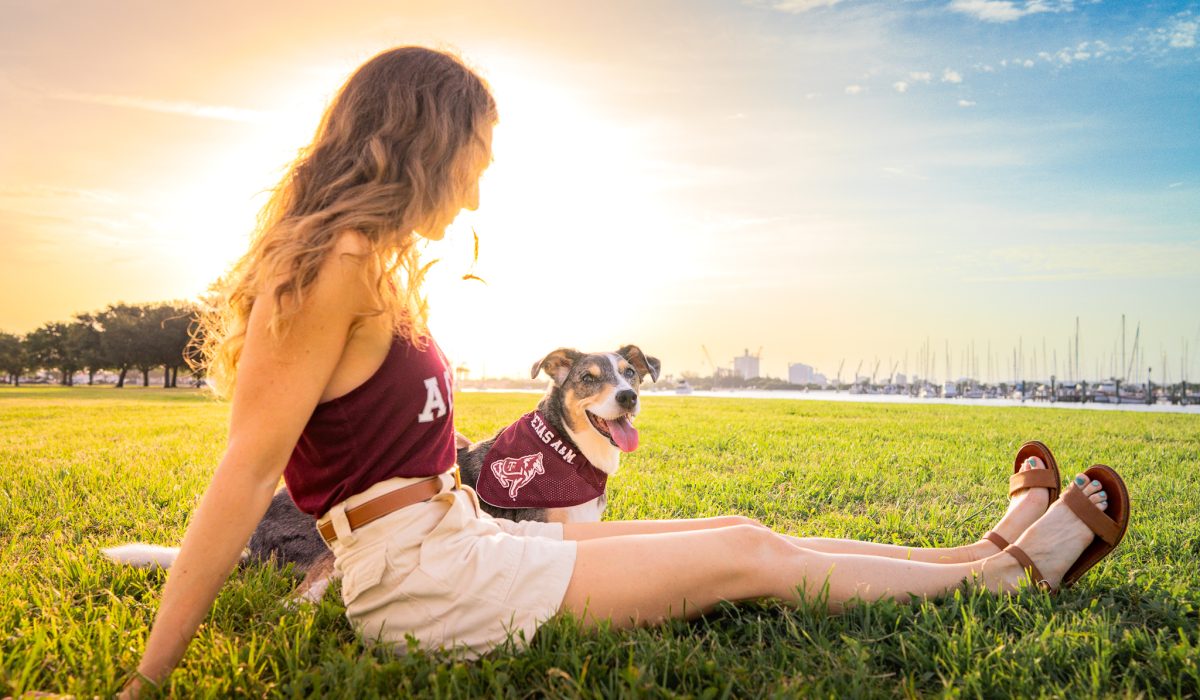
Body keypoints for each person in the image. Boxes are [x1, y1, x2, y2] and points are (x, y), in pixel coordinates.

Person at [121, 46, 1121, 696]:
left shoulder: (375, 268)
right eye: (476, 156)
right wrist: (148, 680)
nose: (477, 187)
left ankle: (976, 554)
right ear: (425, 139)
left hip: (461, 543)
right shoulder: (329, 269)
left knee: (743, 533)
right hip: (427, 586)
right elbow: (246, 472)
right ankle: (1004, 578)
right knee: (749, 565)